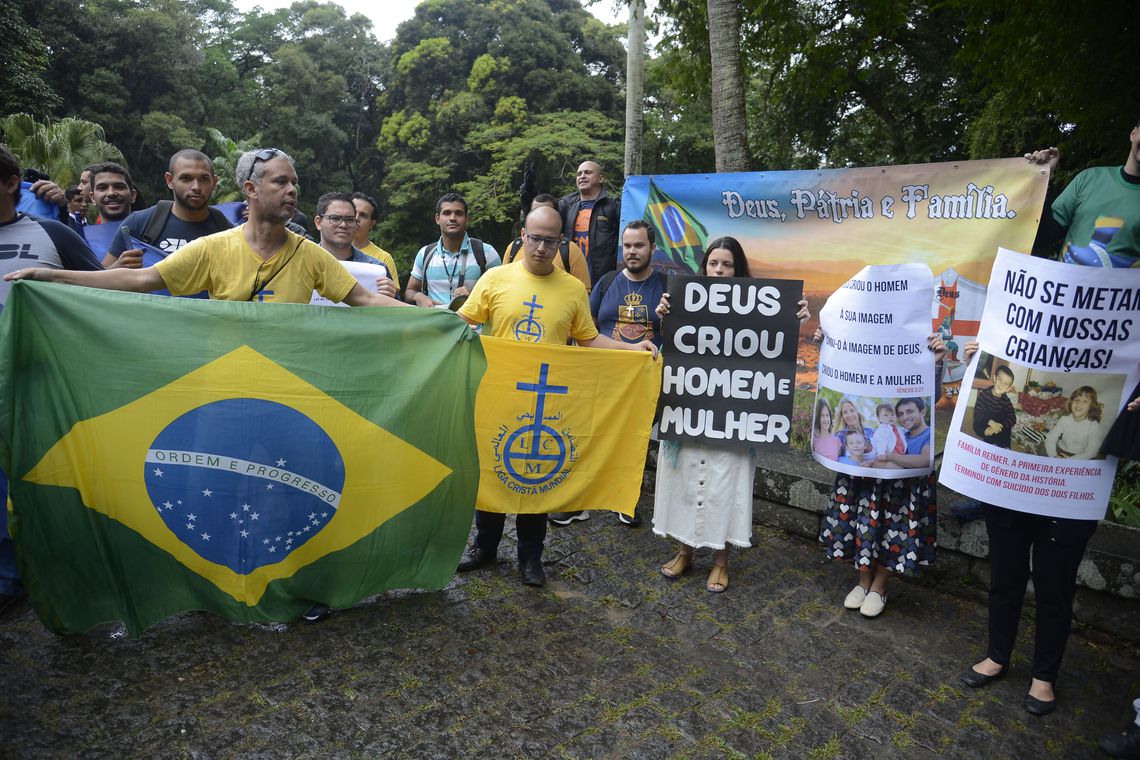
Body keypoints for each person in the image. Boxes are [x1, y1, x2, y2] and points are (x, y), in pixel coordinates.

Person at [453, 205, 657, 587]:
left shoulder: (572, 288)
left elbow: (589, 338)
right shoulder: (494, 279)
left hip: (547, 398)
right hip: (498, 395)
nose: (541, 247)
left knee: (538, 475)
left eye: (550, 240)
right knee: (493, 470)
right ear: (522, 236)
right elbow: (462, 325)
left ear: (561, 241)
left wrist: (633, 350)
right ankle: (485, 547)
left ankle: (531, 557)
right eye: (535, 238)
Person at [653, 237, 810, 593]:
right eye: (713, 264)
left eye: (726, 265)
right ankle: (685, 551)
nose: (718, 271)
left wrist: (794, 315)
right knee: (686, 480)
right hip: (691, 414)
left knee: (726, 485)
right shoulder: (682, 301)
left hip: (733, 419)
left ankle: (721, 561)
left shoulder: (757, 308)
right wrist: (665, 316)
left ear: (737, 270)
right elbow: (671, 351)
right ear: (704, 266)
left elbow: (772, 350)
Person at [956, 344, 1099, 715]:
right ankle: (997, 656)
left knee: (1055, 587)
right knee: (1005, 576)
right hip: (1010, 487)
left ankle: (1044, 676)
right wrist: (981, 346)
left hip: (1067, 497)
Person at [0, 145, 103, 615]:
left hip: (38, 384)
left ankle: (21, 576)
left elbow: (101, 294)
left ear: (10, 183)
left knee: (40, 477)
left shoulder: (51, 232)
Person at [814, 325, 945, 618]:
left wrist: (935, 361)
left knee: (895, 528)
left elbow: (929, 399)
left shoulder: (915, 331)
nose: (904, 416)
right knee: (864, 522)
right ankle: (863, 581)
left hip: (901, 479)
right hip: (867, 475)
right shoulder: (858, 327)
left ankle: (880, 586)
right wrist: (828, 346)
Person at [1026, 117, 1140, 267]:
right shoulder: (1088, 179)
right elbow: (1044, 237)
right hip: (1065, 288)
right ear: (1133, 133)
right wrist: (1042, 180)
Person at [104, 149, 232, 274]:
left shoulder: (228, 232)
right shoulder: (139, 223)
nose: (196, 187)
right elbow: (97, 281)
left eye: (204, 179)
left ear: (214, 182)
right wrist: (117, 268)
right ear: (170, 180)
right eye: (186, 178)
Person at [405, 192, 500, 308]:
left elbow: (501, 295)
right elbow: (409, 291)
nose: (452, 218)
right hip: (434, 325)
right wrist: (419, 297)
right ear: (437, 219)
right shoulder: (425, 254)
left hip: (471, 325)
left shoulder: (486, 253)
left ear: (466, 219)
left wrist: (473, 296)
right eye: (447, 213)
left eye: (458, 213)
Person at [314, 192, 396, 298]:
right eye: (335, 218)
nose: (343, 225)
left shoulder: (377, 269)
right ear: (318, 222)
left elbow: (395, 313)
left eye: (350, 220)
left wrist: (391, 298)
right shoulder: (300, 263)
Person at [502, 194, 591, 290]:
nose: (541, 248)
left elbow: (583, 294)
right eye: (535, 211)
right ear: (523, 234)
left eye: (550, 241)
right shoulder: (515, 247)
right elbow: (503, 283)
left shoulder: (570, 251)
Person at [559, 160, 621, 286]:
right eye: (579, 174)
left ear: (600, 178)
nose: (582, 176)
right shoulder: (567, 206)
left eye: (588, 173)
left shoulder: (613, 205)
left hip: (602, 282)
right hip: (571, 279)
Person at [350, 192, 401, 290]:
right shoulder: (329, 252)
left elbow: (393, 296)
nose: (356, 218)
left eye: (363, 215)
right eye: (353, 212)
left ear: (372, 223)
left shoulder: (383, 258)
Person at [1043, 386, 1103, 459]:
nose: (1079, 404)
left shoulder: (1093, 425)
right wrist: (1054, 456)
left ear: (1091, 406)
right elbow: (1051, 438)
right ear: (1071, 402)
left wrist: (1070, 460)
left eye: (1085, 401)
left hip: (1081, 456)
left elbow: (1092, 451)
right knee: (1042, 447)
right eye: (1076, 400)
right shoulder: (1064, 419)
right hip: (1060, 450)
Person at [972, 364, 1017, 449]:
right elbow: (977, 413)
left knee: (1007, 423)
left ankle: (1004, 446)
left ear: (1008, 388)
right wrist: (990, 423)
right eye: (1000, 380)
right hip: (985, 420)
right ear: (994, 378)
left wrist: (998, 427)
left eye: (1005, 384)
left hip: (998, 423)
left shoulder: (1006, 400)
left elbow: (1013, 418)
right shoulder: (984, 394)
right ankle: (988, 439)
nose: (1001, 385)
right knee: (976, 424)